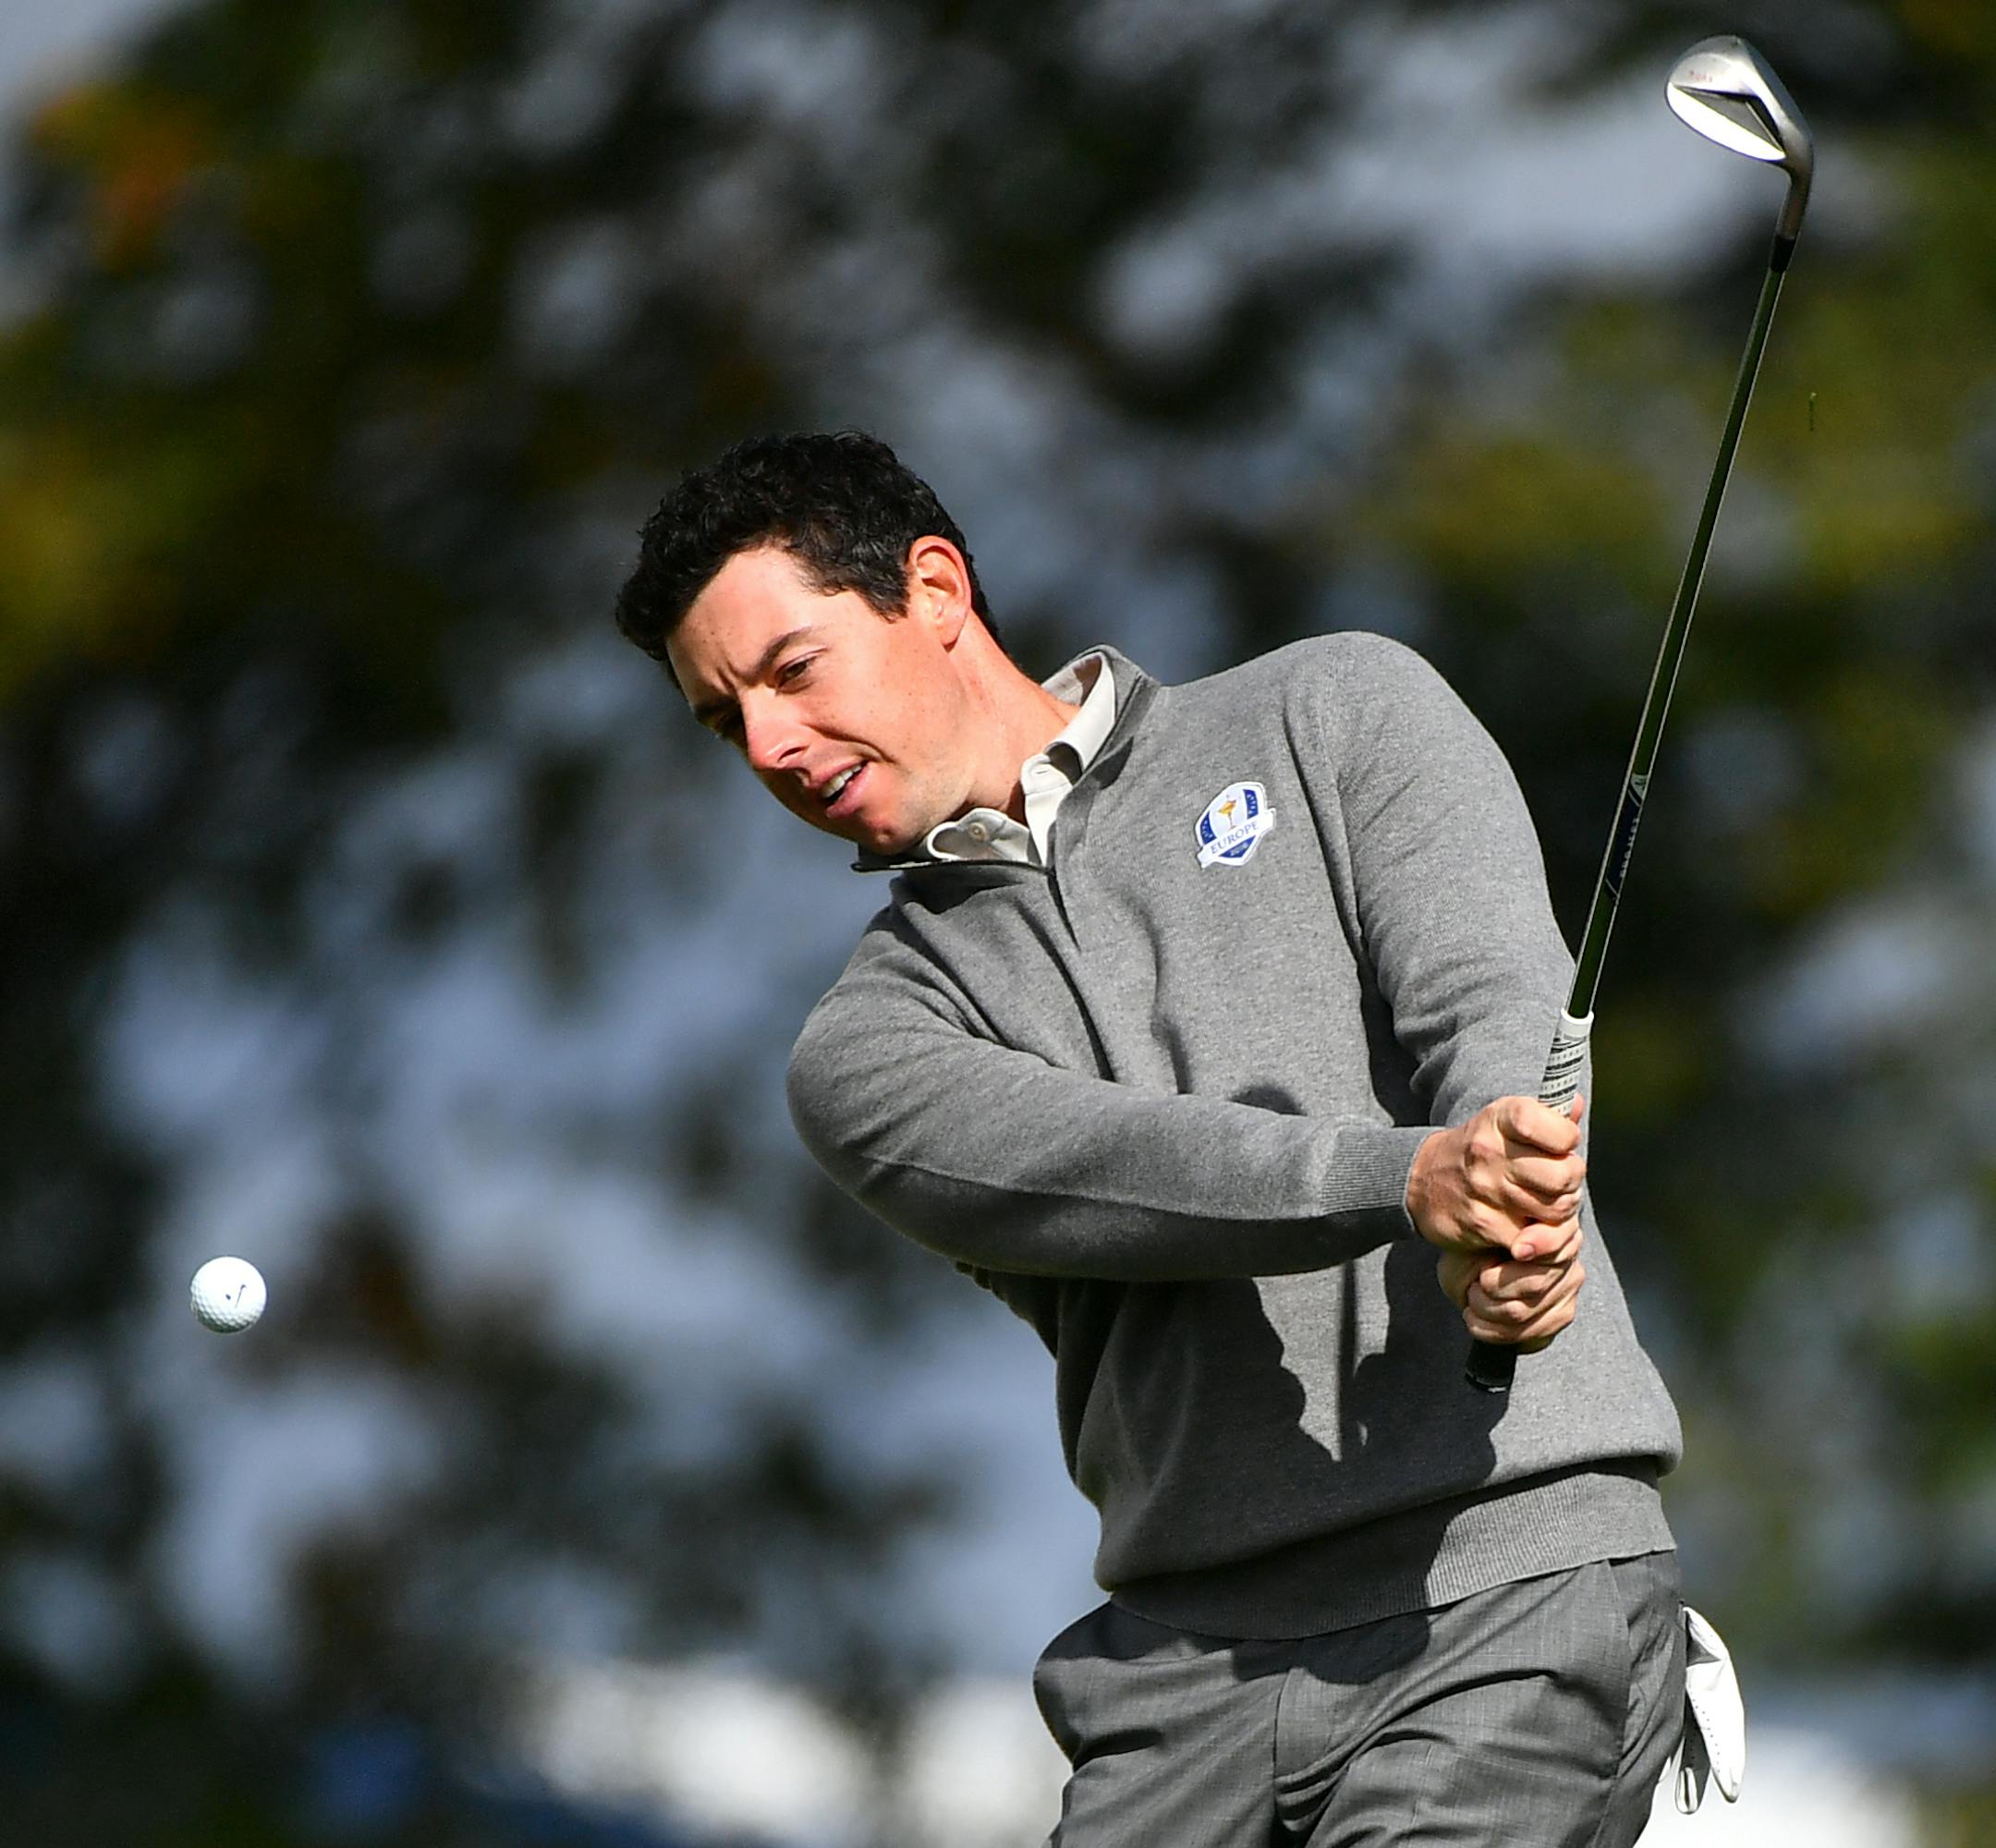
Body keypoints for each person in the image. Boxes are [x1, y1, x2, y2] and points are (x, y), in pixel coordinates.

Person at [615, 428, 1689, 1846]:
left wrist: (1509, 1185)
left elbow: (1488, 1003)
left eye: (791, 671)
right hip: (1185, 1687)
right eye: (722, 718)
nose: (767, 745)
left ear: (934, 591)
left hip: (1501, 1596)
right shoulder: (867, 1049)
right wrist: (1413, 1179)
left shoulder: (1333, 710)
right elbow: (1134, 1175)